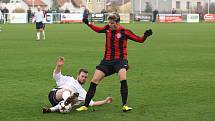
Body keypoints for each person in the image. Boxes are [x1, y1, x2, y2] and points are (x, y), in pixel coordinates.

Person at [76, 13, 153, 112]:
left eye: (112, 23)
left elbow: (139, 40)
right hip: (107, 61)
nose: (110, 24)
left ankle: (125, 105)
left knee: (123, 78)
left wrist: (145, 35)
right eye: (109, 22)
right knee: (94, 81)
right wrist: (88, 24)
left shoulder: (124, 31)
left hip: (120, 61)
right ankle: (85, 106)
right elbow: (98, 30)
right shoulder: (107, 28)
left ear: (117, 23)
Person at [42, 57, 113, 113]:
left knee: (75, 99)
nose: (84, 78)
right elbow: (56, 76)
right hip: (55, 95)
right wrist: (58, 66)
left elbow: (92, 103)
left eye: (85, 77)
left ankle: (51, 110)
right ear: (78, 75)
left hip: (59, 103)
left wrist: (105, 101)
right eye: (82, 76)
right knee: (68, 92)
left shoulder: (83, 92)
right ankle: (68, 100)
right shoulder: (69, 79)